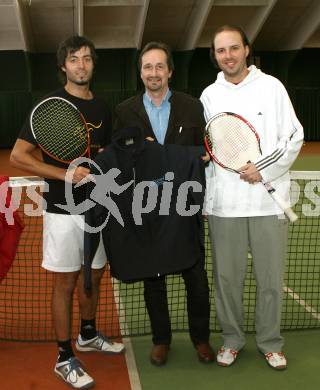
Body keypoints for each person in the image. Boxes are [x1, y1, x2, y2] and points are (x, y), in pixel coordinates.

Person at [10, 35, 124, 389]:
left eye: (87, 58)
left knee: (95, 274)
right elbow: (18, 156)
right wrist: (66, 174)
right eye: (74, 59)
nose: (81, 65)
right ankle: (63, 355)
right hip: (62, 209)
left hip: (98, 209)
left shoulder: (103, 107)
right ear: (64, 65)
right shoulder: (49, 105)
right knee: (66, 281)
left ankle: (88, 333)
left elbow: (105, 156)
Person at [200, 25, 304, 370]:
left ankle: (270, 342)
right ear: (214, 56)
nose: (227, 55)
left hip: (267, 204)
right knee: (227, 280)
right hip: (224, 205)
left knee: (270, 279)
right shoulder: (208, 96)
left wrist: (262, 168)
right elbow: (210, 151)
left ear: (246, 49)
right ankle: (231, 339)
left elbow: (294, 135)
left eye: (233, 48)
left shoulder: (272, 88)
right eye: (220, 50)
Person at [113, 41, 214, 366]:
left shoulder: (192, 107)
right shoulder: (124, 111)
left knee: (196, 277)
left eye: (159, 66)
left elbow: (205, 152)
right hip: (147, 205)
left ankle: (201, 339)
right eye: (147, 67)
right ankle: (161, 340)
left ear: (169, 71)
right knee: (152, 277)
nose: (153, 73)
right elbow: (119, 157)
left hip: (185, 204)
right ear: (140, 73)